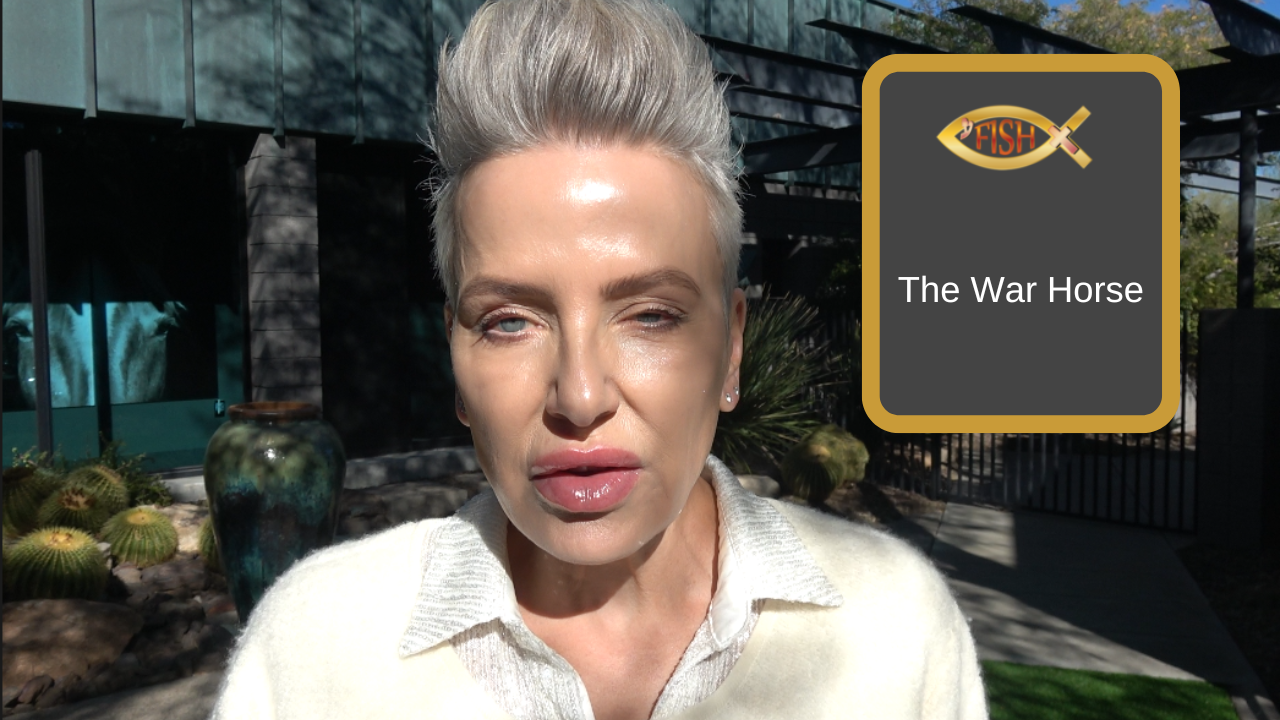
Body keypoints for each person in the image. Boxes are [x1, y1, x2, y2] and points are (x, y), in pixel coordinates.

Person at [210, 0, 987, 718]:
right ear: (456, 360)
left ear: (731, 351)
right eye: (509, 322)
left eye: (651, 316)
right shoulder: (315, 645)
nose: (580, 397)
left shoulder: (897, 626)